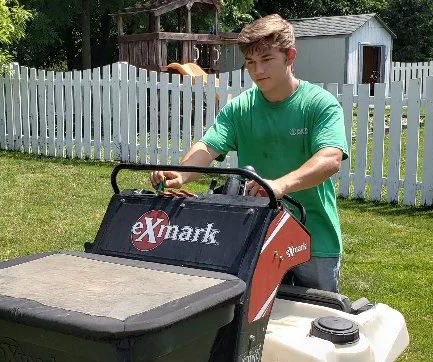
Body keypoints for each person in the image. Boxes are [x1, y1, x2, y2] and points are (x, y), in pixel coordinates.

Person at [149, 14, 349, 293]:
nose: (258, 71)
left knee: (314, 323)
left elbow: (330, 159)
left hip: (314, 239)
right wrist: (180, 175)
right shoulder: (240, 107)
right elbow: (208, 147)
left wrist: (278, 186)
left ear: (290, 56)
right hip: (257, 235)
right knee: (255, 325)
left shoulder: (319, 104)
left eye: (267, 60)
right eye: (251, 63)